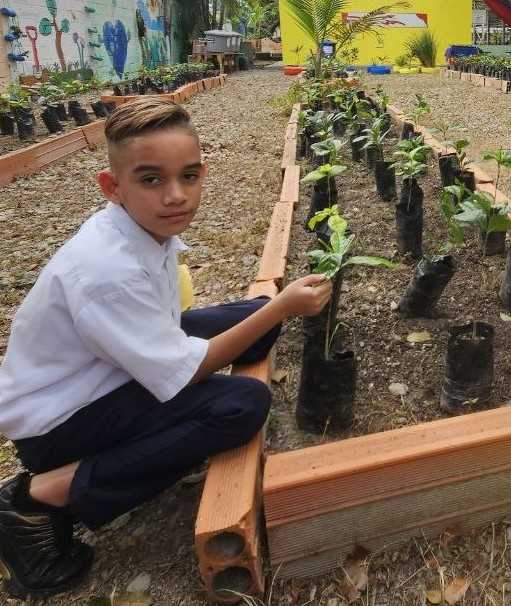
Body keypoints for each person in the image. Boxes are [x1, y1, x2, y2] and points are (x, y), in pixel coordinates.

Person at [0, 98, 333, 598]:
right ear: (112, 187)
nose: (177, 196)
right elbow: (184, 372)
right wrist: (282, 307)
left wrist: (269, 311)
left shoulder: (137, 227)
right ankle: (39, 495)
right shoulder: (105, 272)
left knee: (254, 321)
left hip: (106, 372)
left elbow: (169, 331)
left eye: (190, 176)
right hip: (62, 423)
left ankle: (144, 443)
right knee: (242, 404)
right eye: (151, 179)